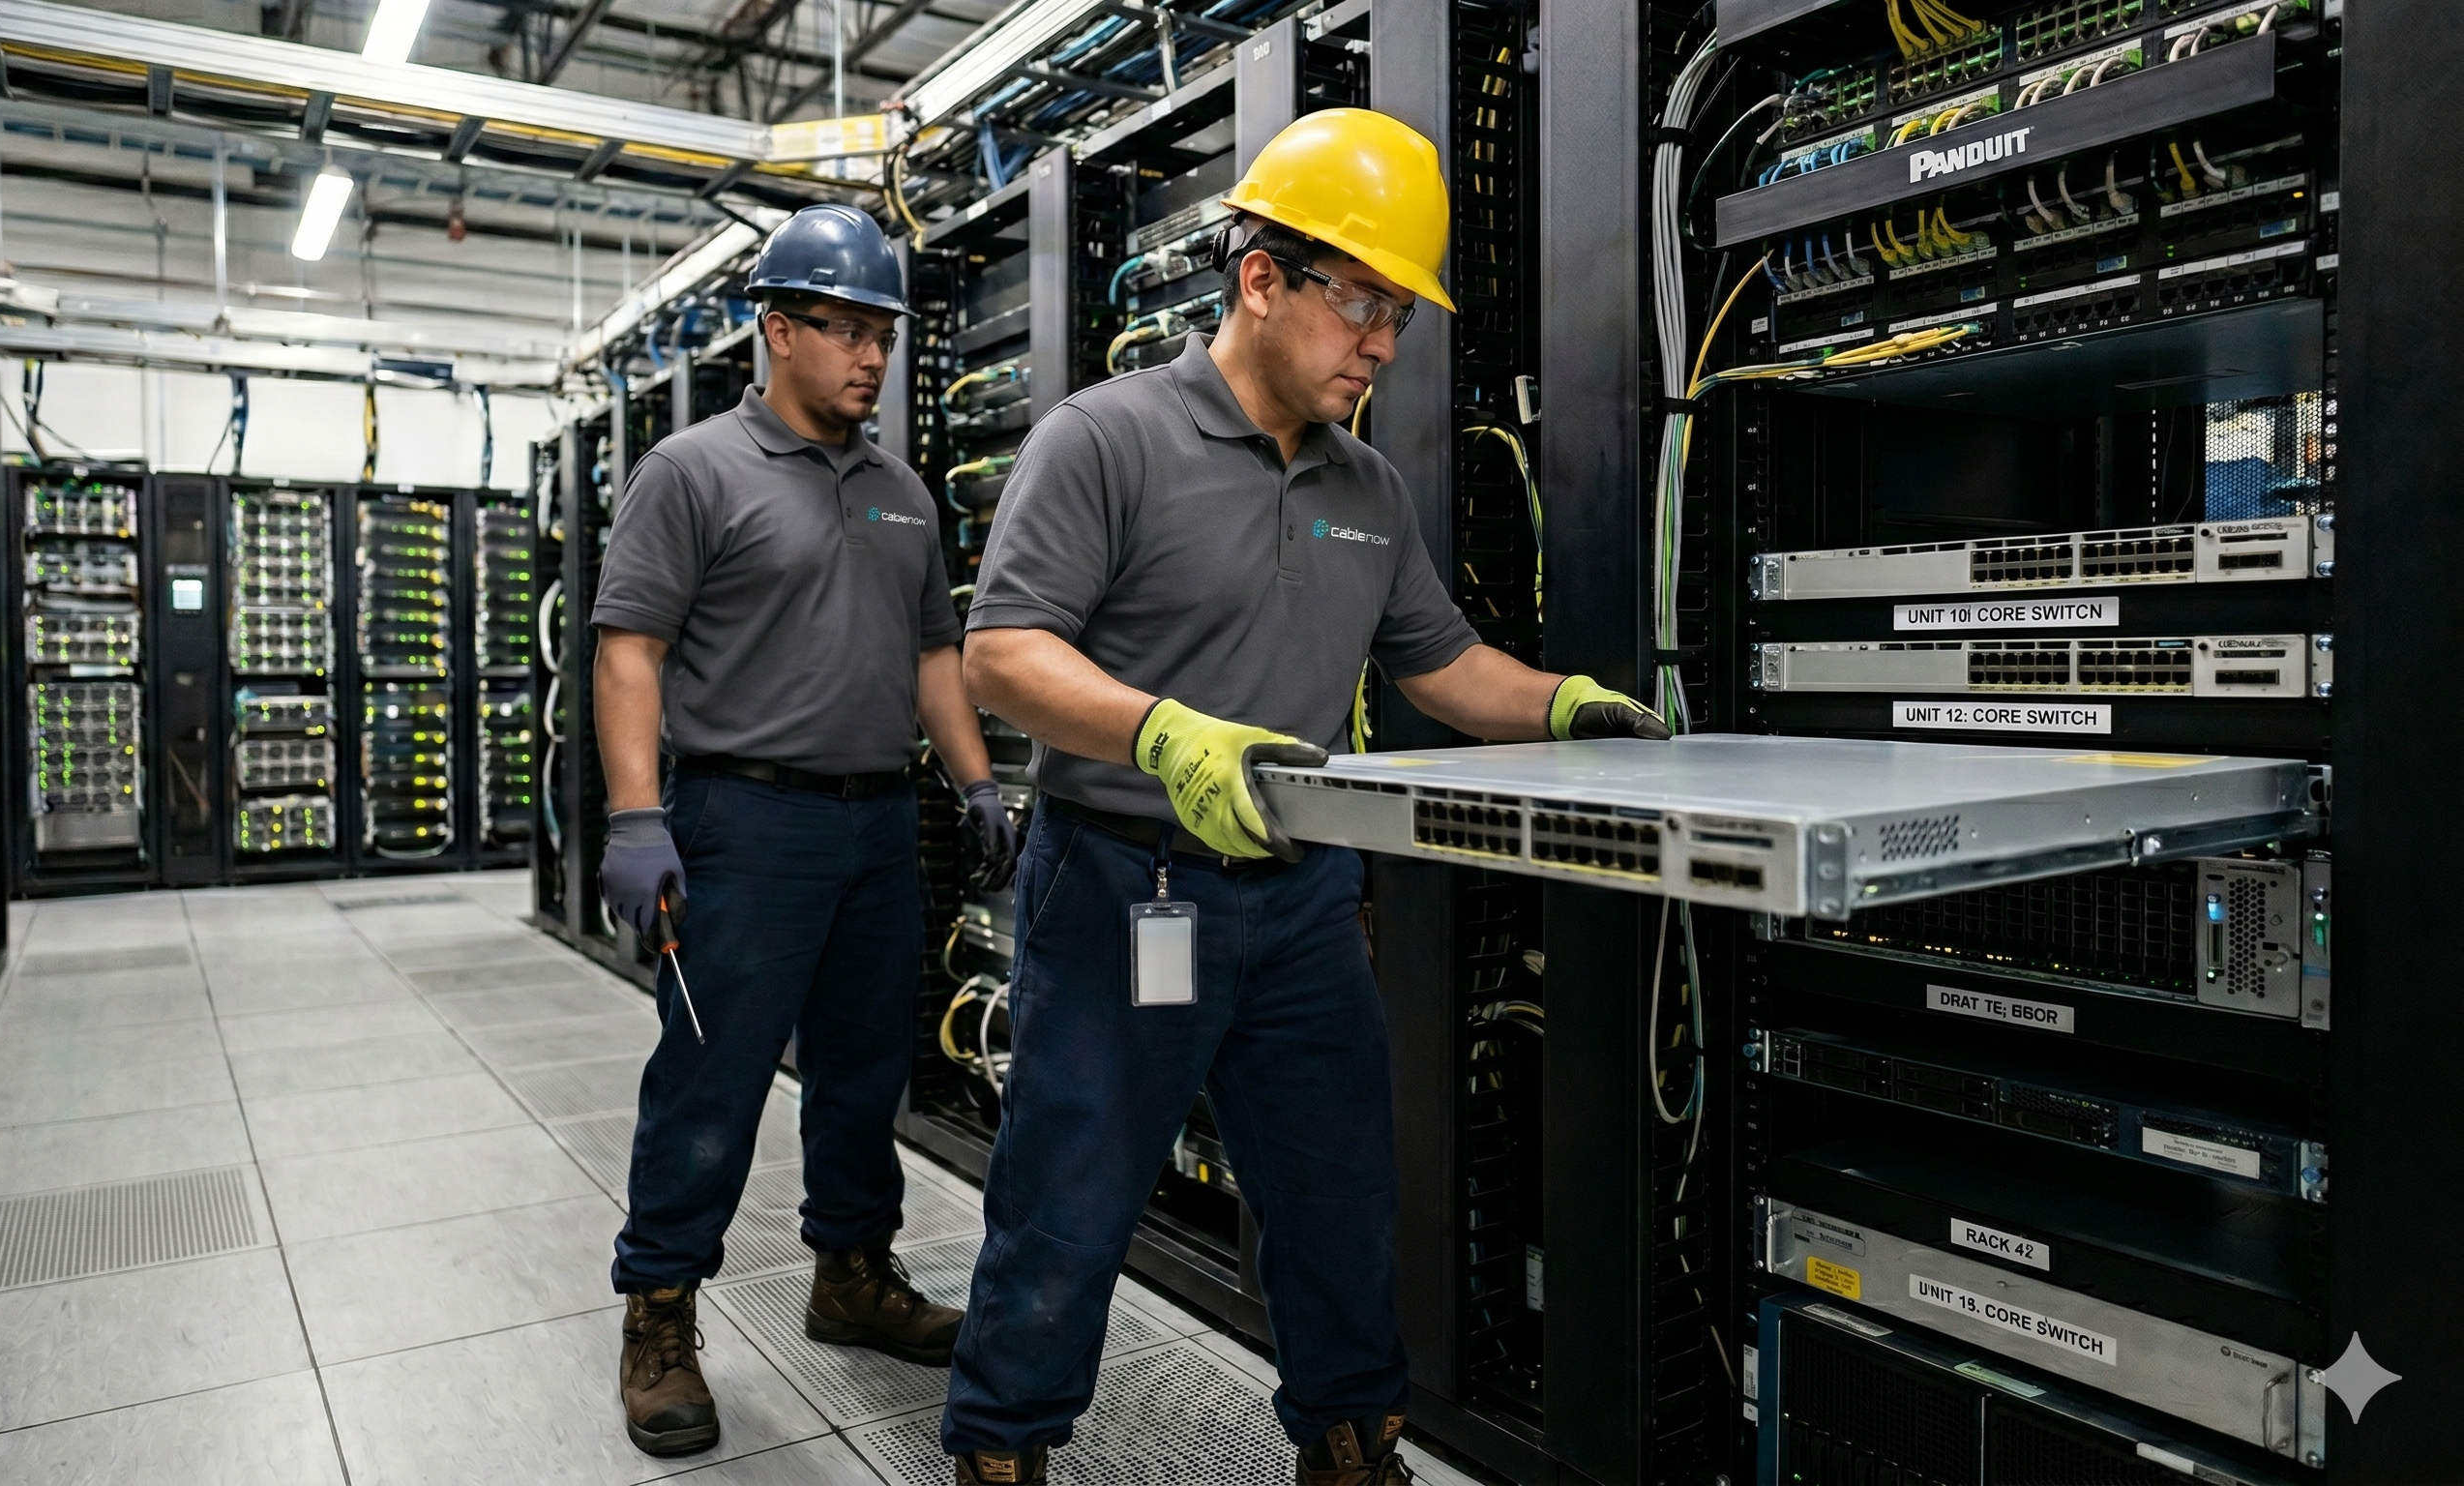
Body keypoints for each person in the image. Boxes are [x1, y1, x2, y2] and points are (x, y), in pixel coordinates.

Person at [935, 110, 1669, 1486]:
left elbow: (1442, 665)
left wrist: (1569, 704)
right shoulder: (1106, 439)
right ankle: (1002, 1446)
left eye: (1400, 314)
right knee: (1069, 1194)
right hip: (1126, 883)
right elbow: (1002, 654)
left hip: (1305, 896)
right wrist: (1162, 735)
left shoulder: (1367, 486)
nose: (1384, 344)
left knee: (1337, 1191)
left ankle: (1348, 1442)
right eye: (1363, 305)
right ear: (1261, 278)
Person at [588, 201, 1021, 1460]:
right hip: (743, 819)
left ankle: (852, 1274)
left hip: (877, 824)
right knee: (711, 1076)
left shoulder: (902, 494)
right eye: (843, 330)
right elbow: (628, 652)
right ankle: (660, 1314)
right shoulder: (692, 472)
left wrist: (977, 782)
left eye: (883, 333)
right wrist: (636, 817)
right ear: (777, 329)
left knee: (866, 1068)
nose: (871, 356)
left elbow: (933, 654)